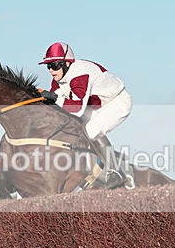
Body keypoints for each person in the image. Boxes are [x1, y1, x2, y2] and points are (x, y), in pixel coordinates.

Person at [38, 42, 133, 188]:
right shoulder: (58, 79)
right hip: (96, 106)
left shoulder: (80, 75)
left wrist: (54, 98)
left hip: (117, 102)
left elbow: (76, 109)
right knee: (74, 128)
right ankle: (116, 160)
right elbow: (57, 106)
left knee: (91, 130)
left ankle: (116, 172)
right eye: (48, 66)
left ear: (67, 64)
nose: (51, 70)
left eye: (55, 65)